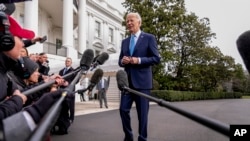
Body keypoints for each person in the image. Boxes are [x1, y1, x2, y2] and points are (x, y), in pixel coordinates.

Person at [118, 12, 161, 141]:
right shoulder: (124, 42)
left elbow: (156, 58)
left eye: (131, 20)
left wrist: (139, 60)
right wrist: (123, 61)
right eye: (127, 21)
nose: (129, 23)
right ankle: (128, 136)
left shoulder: (149, 38)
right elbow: (120, 60)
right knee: (123, 110)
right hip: (127, 83)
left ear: (139, 22)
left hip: (142, 83)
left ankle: (142, 138)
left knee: (142, 115)